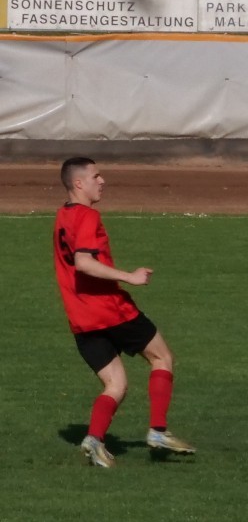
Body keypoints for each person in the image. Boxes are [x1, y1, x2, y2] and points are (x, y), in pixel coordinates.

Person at [53, 157, 196, 467]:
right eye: (96, 176)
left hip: (81, 319)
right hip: (111, 310)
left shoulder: (63, 215)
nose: (102, 181)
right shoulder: (88, 216)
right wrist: (129, 277)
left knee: (116, 385)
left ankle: (94, 441)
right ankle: (158, 431)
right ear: (78, 183)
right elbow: (83, 263)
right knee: (162, 357)